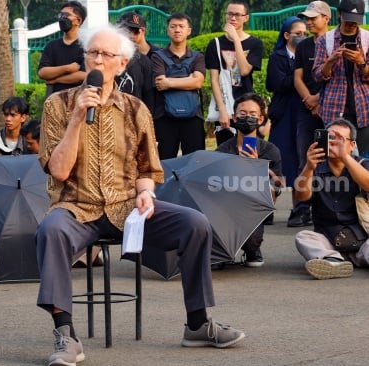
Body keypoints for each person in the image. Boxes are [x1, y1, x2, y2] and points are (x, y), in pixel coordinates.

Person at [37, 25, 245, 366]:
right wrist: (77, 119)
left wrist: (146, 193)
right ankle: (65, 334)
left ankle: (197, 323)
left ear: (122, 65)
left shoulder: (136, 109)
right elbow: (58, 171)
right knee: (51, 230)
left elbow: (148, 168)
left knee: (195, 223)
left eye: (106, 55)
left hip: (125, 208)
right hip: (76, 208)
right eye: (92, 53)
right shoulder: (57, 105)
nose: (98, 60)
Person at [294, 118, 369, 279]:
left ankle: (336, 262)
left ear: (352, 145)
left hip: (363, 240)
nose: (334, 142)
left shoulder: (362, 164)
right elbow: (301, 196)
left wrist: (344, 157)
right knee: (303, 237)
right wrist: (309, 166)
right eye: (330, 138)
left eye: (340, 139)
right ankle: (333, 262)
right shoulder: (315, 167)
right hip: (329, 241)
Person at [216, 93, 283, 267]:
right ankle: (220, 250)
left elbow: (272, 197)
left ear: (261, 119)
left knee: (252, 242)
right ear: (234, 117)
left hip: (254, 210)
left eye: (253, 114)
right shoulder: (223, 150)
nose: (247, 118)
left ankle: (252, 250)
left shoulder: (270, 151)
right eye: (242, 113)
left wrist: (256, 169)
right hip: (225, 209)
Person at [291, 1, 331, 227]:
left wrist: (319, 99)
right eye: (307, 18)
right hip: (305, 109)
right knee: (304, 155)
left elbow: (337, 77)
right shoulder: (304, 45)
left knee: (330, 157)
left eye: (313, 18)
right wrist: (309, 100)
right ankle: (301, 208)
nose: (309, 22)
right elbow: (298, 77)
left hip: (331, 107)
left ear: (326, 18)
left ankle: (326, 206)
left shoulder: (335, 42)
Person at [313, 0, 369, 157]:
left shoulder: (367, 39)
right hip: (333, 108)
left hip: (363, 109)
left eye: (355, 20)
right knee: (332, 156)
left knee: (362, 158)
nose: (352, 24)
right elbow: (317, 75)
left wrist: (361, 62)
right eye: (348, 18)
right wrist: (330, 61)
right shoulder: (325, 40)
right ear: (339, 14)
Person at [266, 16, 307, 227]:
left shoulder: (309, 54)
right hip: (283, 115)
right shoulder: (278, 57)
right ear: (286, 35)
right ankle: (267, 209)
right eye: (297, 33)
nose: (302, 37)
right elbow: (277, 84)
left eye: (304, 34)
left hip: (303, 112)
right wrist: (299, 75)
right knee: (280, 159)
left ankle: (299, 210)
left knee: (301, 160)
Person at [205, 0, 264, 145]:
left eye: (237, 15)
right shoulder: (215, 44)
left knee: (249, 149)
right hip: (225, 104)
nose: (233, 18)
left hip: (246, 105)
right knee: (226, 152)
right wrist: (222, 110)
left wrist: (236, 40)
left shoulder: (255, 44)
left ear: (246, 17)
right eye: (230, 14)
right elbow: (214, 79)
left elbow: (244, 70)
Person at [150, 13, 206, 159]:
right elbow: (160, 83)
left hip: (193, 117)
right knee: (166, 163)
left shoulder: (197, 57)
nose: (177, 30)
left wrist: (170, 82)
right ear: (167, 30)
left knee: (195, 162)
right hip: (165, 117)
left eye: (181, 26)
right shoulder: (157, 56)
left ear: (189, 31)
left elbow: (198, 82)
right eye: (173, 26)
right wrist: (188, 80)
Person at [38, 1, 87, 98]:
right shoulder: (51, 46)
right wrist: (68, 68)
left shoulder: (85, 46)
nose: (62, 18)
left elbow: (84, 76)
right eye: (60, 15)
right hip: (54, 101)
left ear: (78, 21)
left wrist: (55, 80)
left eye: (66, 15)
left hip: (79, 100)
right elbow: (42, 72)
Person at [115, 12, 155, 113]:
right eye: (125, 31)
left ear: (142, 31)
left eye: (135, 31)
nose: (130, 35)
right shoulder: (109, 56)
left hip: (137, 112)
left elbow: (149, 93)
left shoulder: (147, 59)